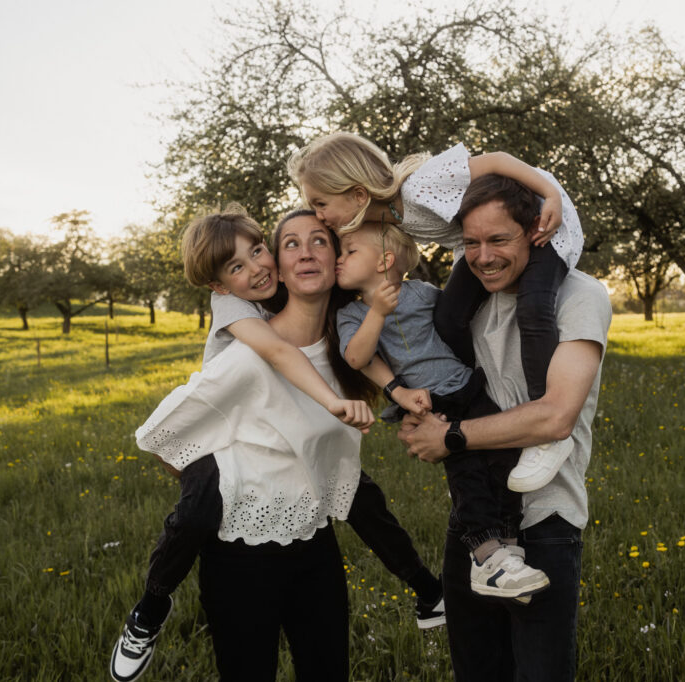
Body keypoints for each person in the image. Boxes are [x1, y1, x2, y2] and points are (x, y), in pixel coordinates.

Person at [110, 209, 443, 682]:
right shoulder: (247, 355)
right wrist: (226, 476)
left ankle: (428, 590)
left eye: (319, 241)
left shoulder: (352, 349)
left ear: (339, 260)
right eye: (291, 244)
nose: (305, 253)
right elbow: (166, 437)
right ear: (283, 270)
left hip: (315, 543)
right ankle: (151, 606)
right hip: (240, 557)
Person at [398, 174, 611, 682]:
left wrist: (451, 437)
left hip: (547, 519)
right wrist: (416, 413)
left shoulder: (579, 295)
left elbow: (556, 415)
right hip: (475, 528)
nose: (483, 256)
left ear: (536, 232)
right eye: (471, 243)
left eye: (498, 239)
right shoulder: (467, 304)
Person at [288, 131, 584, 492]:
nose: (319, 215)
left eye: (320, 204)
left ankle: (545, 429)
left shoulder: (418, 188)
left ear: (359, 195)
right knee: (448, 316)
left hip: (544, 222)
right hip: (482, 245)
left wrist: (550, 194)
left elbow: (497, 160)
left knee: (534, 307)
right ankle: (469, 389)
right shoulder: (385, 221)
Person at [334, 220, 549, 599]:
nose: (339, 258)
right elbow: (356, 357)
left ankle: (509, 549)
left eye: (349, 251)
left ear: (384, 261)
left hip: (467, 386)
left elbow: (460, 316)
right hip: (431, 404)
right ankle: (485, 554)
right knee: (467, 474)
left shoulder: (421, 292)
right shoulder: (352, 314)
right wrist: (378, 312)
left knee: (506, 458)